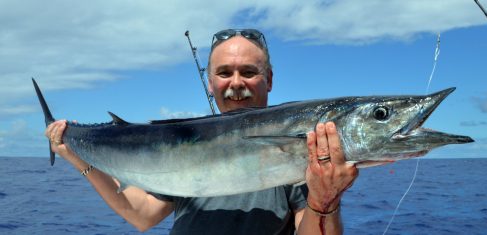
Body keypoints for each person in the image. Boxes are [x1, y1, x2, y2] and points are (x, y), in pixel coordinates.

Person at [45, 29, 358, 234]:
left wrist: (324, 198)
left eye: (249, 72)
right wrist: (77, 159)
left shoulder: (311, 155)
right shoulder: (186, 144)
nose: (236, 82)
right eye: (224, 73)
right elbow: (141, 214)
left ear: (270, 80)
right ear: (211, 83)